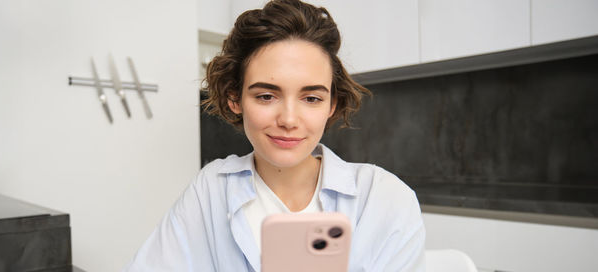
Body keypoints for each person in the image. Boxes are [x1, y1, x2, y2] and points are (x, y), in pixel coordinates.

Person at [124, 0, 425, 271]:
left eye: (311, 99)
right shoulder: (212, 189)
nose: (289, 120)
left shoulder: (384, 197)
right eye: (267, 96)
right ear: (235, 99)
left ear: (332, 104)